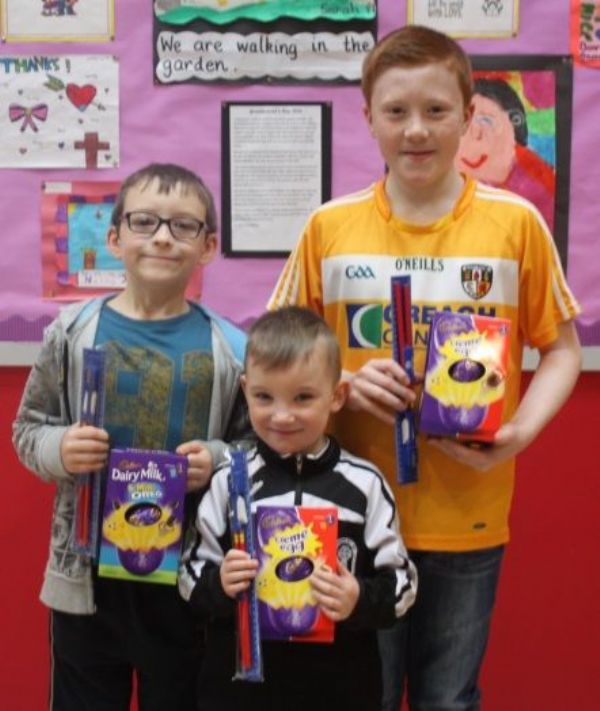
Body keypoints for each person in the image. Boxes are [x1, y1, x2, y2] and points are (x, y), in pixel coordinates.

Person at [267, 25, 582, 711]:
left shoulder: (515, 224)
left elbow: (562, 349)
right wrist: (343, 387)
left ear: (468, 116)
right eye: (396, 111)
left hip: (468, 514)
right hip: (350, 512)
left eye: (436, 110)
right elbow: (276, 357)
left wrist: (519, 434)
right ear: (368, 118)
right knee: (363, 698)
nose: (416, 129)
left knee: (448, 698)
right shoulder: (329, 227)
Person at [13, 163, 248, 711]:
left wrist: (216, 459)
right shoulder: (71, 333)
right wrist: (60, 449)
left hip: (185, 579)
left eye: (183, 225)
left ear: (208, 246)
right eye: (145, 221)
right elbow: (28, 429)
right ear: (115, 237)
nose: (163, 237)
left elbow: (254, 450)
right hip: (88, 580)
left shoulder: (231, 349)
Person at [178, 306, 417, 711]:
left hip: (340, 689)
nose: (282, 415)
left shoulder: (365, 486)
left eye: (303, 397)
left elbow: (402, 584)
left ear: (337, 396)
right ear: (245, 391)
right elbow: (188, 576)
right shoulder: (228, 481)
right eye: (264, 397)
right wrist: (219, 584)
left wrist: (358, 598)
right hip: (239, 693)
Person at [456, 76, 556, 229]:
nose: (475, 133)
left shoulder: (535, 189)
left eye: (486, 121)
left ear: (514, 126)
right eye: (464, 122)